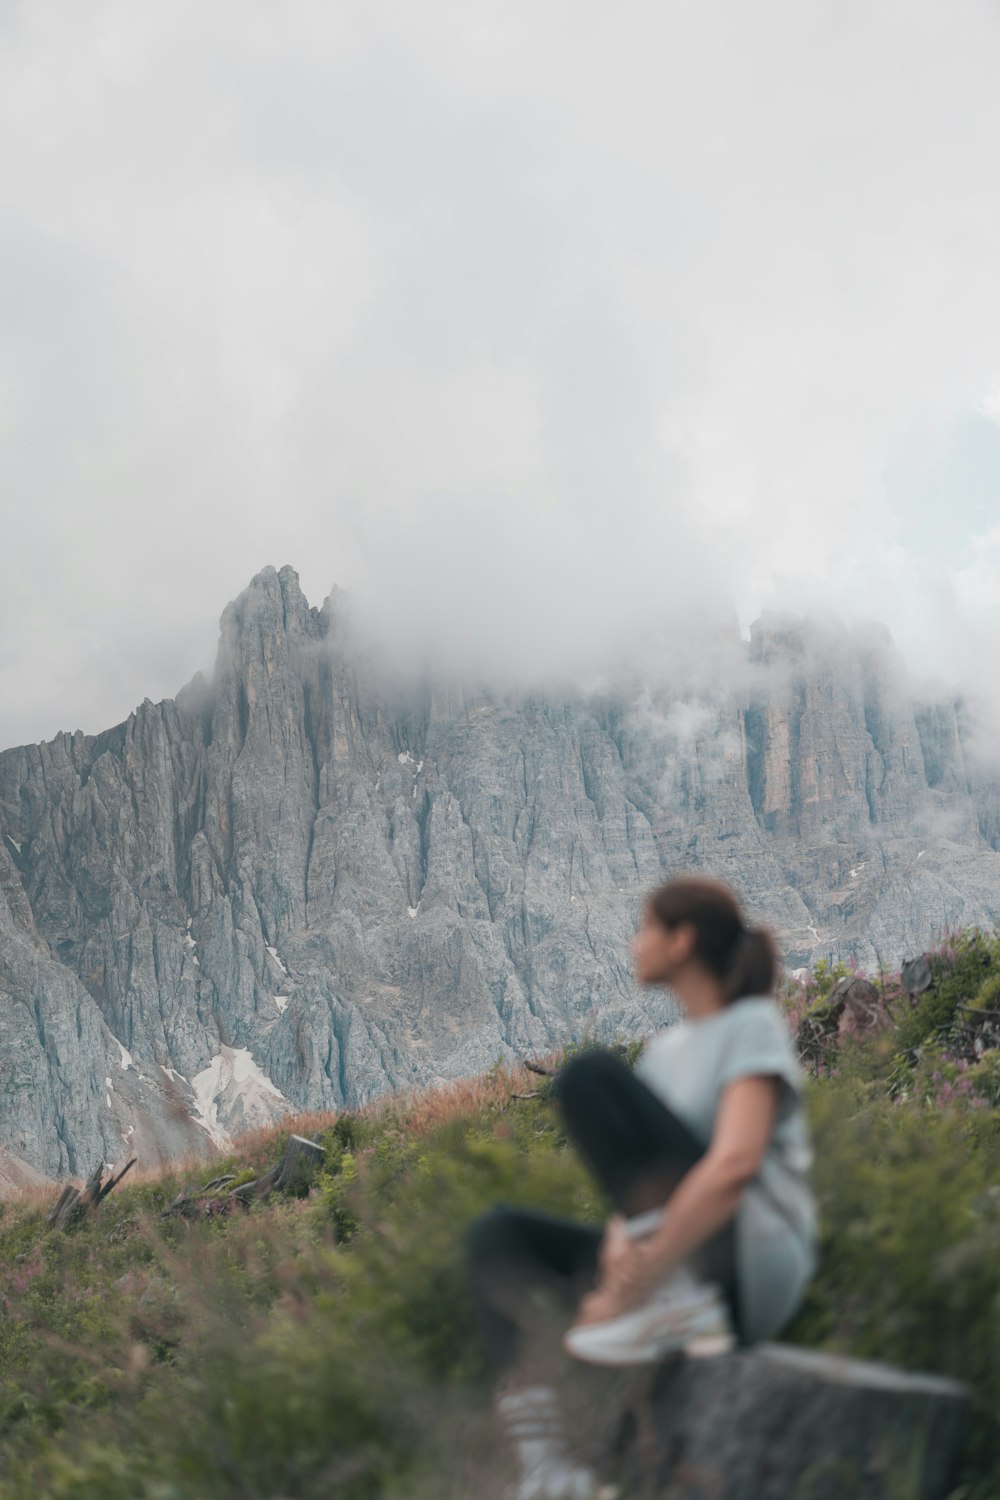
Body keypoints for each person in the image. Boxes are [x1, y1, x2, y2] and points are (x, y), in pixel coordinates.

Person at [465, 876, 817, 1500]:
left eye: (645, 928)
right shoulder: (663, 1053)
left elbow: (734, 1164)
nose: (633, 945)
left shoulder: (752, 1024)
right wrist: (619, 1249)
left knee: (585, 1076)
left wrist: (646, 1271)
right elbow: (639, 1184)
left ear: (681, 941)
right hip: (675, 1259)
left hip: (750, 1257)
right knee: (497, 1234)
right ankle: (546, 1467)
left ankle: (674, 1303)